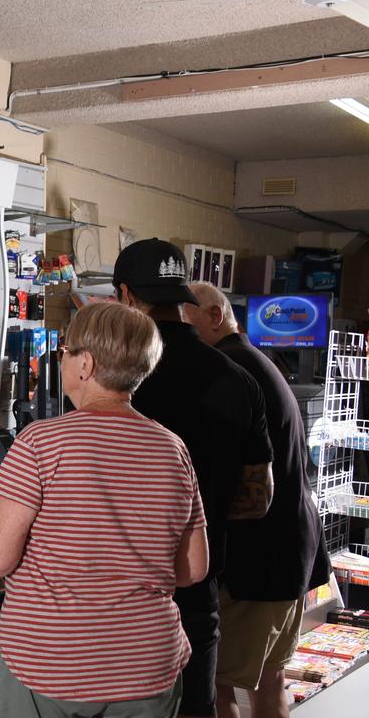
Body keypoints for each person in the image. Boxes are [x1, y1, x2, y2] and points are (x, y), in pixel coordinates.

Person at [0, 301, 208, 717]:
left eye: (64, 351)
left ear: (85, 363)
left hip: (51, 661)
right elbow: (193, 567)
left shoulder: (40, 443)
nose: (62, 359)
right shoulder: (173, 449)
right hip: (146, 664)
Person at [115, 238, 274, 718]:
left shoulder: (112, 380)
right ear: (182, 297)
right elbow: (258, 497)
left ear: (125, 296)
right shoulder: (238, 379)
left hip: (119, 601)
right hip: (198, 591)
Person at [185, 282, 330, 718]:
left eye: (187, 325)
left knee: (219, 684)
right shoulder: (258, 363)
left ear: (215, 317)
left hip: (259, 560)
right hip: (290, 552)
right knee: (269, 683)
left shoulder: (230, 372)